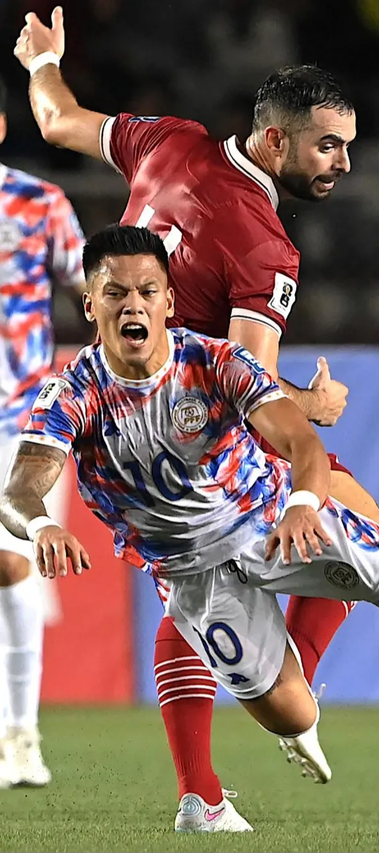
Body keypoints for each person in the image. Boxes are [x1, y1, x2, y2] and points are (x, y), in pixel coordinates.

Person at [0, 225, 379, 832]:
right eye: (115, 293)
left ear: (169, 300)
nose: (133, 305)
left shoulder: (214, 361)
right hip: (192, 572)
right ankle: (209, 793)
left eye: (148, 290)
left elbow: (300, 439)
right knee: (293, 717)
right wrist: (40, 524)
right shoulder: (73, 392)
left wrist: (306, 502)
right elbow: (19, 489)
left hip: (274, 518)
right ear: (90, 304)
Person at [0, 70, 86, 787]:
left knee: (14, 566)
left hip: (20, 417)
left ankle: (20, 737)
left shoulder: (37, 202)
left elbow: (91, 292)